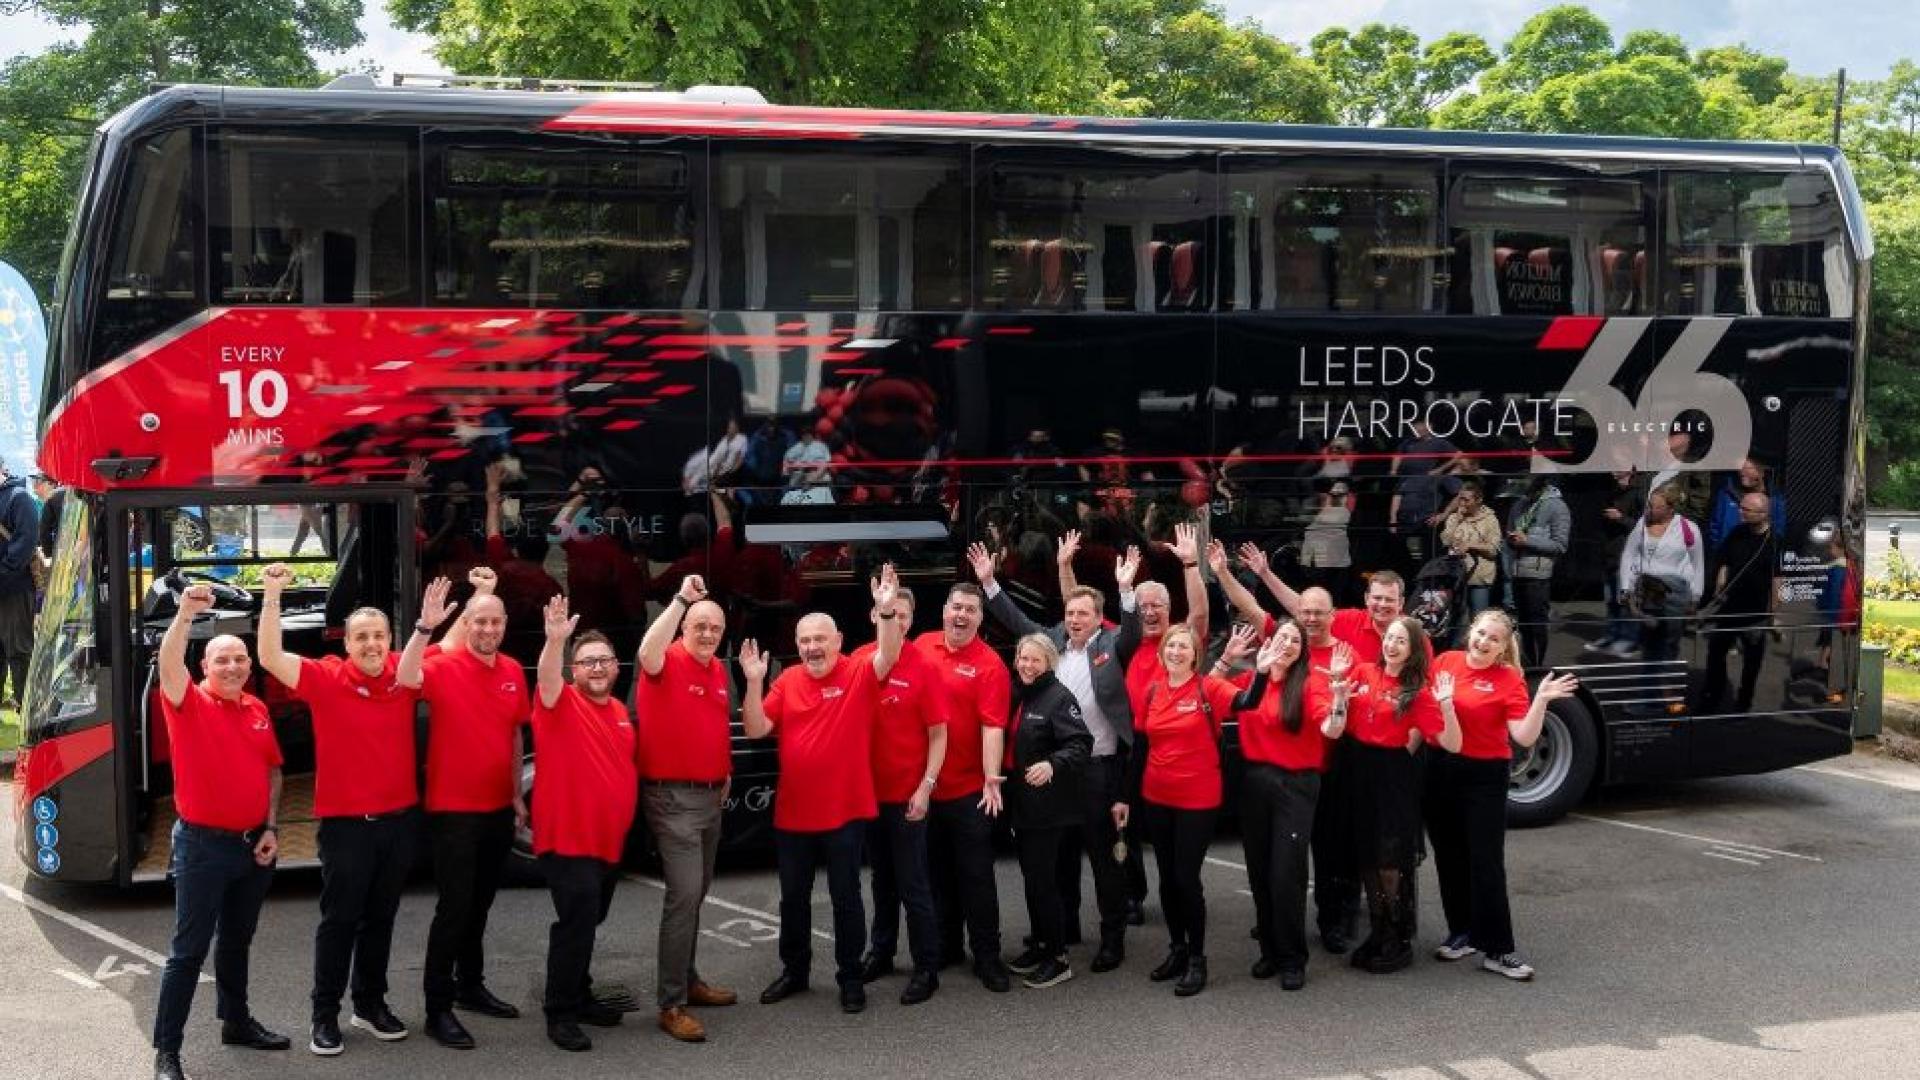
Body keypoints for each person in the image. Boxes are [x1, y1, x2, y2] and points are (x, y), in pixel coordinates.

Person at [255, 564, 418, 1057]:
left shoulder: (405, 673)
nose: (371, 644)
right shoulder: (326, 676)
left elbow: (455, 644)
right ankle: (324, 1016)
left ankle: (369, 1005)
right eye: (361, 637)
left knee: (381, 919)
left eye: (379, 636)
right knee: (340, 922)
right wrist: (272, 594)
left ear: (390, 641)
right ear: (346, 643)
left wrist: (478, 595)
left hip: (398, 822)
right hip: (348, 828)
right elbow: (268, 656)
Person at [741, 565, 906, 1014]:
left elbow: (888, 655)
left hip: (845, 812)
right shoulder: (787, 680)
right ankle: (795, 972)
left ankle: (850, 977)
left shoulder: (858, 672)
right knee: (793, 899)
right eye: (804, 641)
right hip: (794, 815)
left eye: (820, 639)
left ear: (838, 641)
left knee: (846, 897)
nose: (812, 647)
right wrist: (754, 682)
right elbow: (756, 728)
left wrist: (886, 611)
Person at [972, 540, 1142, 972]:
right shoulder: (1052, 640)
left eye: (1083, 614)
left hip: (1099, 767)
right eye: (1070, 613)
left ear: (1099, 617)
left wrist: (1126, 590)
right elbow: (1016, 621)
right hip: (1057, 771)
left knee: (1104, 860)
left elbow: (1134, 631)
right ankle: (1062, 930)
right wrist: (989, 583)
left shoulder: (1114, 643)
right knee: (1060, 857)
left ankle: (1113, 939)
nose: (1075, 620)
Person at [151, 586, 288, 1080]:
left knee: (236, 942)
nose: (232, 667)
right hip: (202, 847)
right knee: (187, 953)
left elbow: (272, 771)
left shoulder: (257, 708)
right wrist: (186, 614)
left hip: (253, 846)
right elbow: (169, 662)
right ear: (204, 666)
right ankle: (167, 1052)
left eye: (240, 659)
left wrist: (271, 827)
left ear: (249, 666)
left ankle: (236, 1022)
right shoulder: (187, 702)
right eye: (222, 660)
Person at [398, 577, 533, 1049]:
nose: (488, 629)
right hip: (454, 811)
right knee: (454, 909)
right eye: (480, 621)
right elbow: (405, 678)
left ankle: (470, 986)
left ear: (505, 625)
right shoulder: (443, 665)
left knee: (480, 904)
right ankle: (438, 1009)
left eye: (496, 622)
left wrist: (516, 794)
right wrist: (424, 628)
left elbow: (515, 734)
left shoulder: (513, 669)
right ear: (467, 624)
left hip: (498, 807)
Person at [1062, 521, 1211, 924]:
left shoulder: (1178, 642)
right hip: (1130, 748)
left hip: (1171, 751)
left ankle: (1179, 895)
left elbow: (1200, 613)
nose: (1148, 611)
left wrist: (1191, 565)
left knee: (1169, 832)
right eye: (1142, 605)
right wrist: (1064, 566)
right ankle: (1133, 894)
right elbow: (1077, 610)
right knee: (1122, 826)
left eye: (1156, 605)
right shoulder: (1120, 640)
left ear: (1168, 608)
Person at [1426, 610, 1579, 982]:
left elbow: (1523, 736)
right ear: (1471, 632)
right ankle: (1461, 932)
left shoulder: (1509, 678)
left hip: (1485, 776)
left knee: (1486, 862)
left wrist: (1542, 701)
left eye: (1493, 639)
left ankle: (1498, 949)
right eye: (1480, 633)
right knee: (1449, 855)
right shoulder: (1445, 662)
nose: (1483, 642)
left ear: (1503, 647)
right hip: (1441, 767)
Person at [1118, 623, 1261, 997]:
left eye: (1184, 647)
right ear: (1162, 652)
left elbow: (1248, 702)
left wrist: (1262, 670)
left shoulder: (1207, 687)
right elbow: (1140, 748)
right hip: (1156, 795)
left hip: (1198, 798)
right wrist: (1125, 798)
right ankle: (1177, 949)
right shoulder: (1153, 691)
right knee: (1167, 879)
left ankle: (1197, 958)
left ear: (1196, 655)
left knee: (1186, 878)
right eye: (1171, 646)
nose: (1176, 652)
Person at [634, 573, 740, 1042]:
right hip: (673, 798)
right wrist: (680, 600)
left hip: (709, 796)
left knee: (695, 895)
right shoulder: (666, 658)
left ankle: (688, 979)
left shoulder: (716, 669)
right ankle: (671, 1003)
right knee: (684, 896)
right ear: (682, 627)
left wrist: (724, 769)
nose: (708, 634)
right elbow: (645, 652)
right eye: (699, 626)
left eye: (715, 628)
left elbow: (712, 724)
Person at [530, 598, 637, 1052]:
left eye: (604, 660)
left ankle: (580, 993)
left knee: (590, 919)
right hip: (569, 840)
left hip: (606, 841)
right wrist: (555, 641)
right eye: (588, 661)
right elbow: (546, 678)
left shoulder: (618, 710)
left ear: (616, 666)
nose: (597, 668)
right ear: (573, 670)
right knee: (575, 923)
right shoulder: (560, 702)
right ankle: (560, 1013)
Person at [1233, 622, 1353, 992]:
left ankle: (1291, 958)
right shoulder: (1252, 679)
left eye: (1296, 641)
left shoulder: (1310, 683)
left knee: (1286, 874)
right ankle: (1269, 951)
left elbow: (1332, 729)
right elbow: (1212, 692)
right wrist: (1228, 659)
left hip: (1296, 785)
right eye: (1283, 637)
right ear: (1270, 642)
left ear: (1302, 650)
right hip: (1254, 782)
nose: (1288, 644)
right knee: (1259, 871)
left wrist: (1339, 699)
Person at [1337, 616, 1459, 974]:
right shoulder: (1362, 672)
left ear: (1413, 650)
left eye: (1401, 641)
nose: (1391, 645)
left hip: (1393, 776)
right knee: (1366, 856)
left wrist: (1447, 706)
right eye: (1389, 638)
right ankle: (1378, 929)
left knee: (1389, 859)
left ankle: (1395, 934)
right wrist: (1337, 686)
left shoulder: (1416, 692)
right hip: (1358, 770)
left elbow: (1452, 743)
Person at [914, 582, 1015, 992]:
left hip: (969, 789)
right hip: (924, 787)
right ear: (944, 610)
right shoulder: (921, 646)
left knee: (976, 878)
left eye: (970, 610)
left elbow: (992, 727)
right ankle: (948, 945)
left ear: (980, 617)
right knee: (936, 873)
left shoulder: (990, 665)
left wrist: (991, 777)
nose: (961, 615)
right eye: (956, 607)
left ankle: (987, 956)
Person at [854, 587, 949, 1006]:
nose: (896, 620)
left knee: (914, 883)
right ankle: (882, 951)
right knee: (881, 880)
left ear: (910, 620)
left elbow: (938, 734)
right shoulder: (859, 661)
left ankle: (927, 967)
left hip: (909, 795)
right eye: (887, 612)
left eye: (903, 615)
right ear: (873, 616)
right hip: (868, 796)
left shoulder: (924, 666)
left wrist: (926, 787)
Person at [1003, 634, 1094, 989]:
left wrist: (1053, 764)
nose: (1027, 665)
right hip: (1023, 804)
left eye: (1035, 660)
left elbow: (1081, 743)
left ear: (1049, 663)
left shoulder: (1058, 698)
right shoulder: (1021, 693)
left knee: (1044, 882)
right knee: (1032, 880)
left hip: (1049, 809)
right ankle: (1040, 944)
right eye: (1023, 658)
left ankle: (1058, 958)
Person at [1700, 492, 1782, 713]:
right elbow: (1725, 560)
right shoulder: (1738, 532)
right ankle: (1712, 696)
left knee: (1752, 660)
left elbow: (1778, 580)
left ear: (1763, 514)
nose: (1740, 512)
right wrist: (1720, 584)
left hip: (1755, 611)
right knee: (1715, 653)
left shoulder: (1775, 542)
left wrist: (1773, 611)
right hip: (1729, 607)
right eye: (1741, 507)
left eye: (1746, 509)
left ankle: (1744, 701)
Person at [1618, 485, 1705, 665]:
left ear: (1671, 508)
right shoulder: (1641, 524)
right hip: (1645, 594)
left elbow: (1698, 565)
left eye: (1656, 507)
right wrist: (1626, 588)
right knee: (1649, 643)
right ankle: (1652, 676)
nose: (1650, 510)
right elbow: (1629, 555)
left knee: (1669, 643)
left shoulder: (1689, 528)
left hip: (1675, 596)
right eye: (1649, 505)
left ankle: (1665, 675)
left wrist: (1695, 597)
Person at [1505, 476, 1570, 670]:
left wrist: (1527, 541)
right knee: (1523, 625)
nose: (1524, 492)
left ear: (1539, 486)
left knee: (1537, 625)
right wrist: (1511, 540)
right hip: (1517, 572)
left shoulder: (1557, 506)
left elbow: (1560, 545)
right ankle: (1527, 665)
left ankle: (1539, 667)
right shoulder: (1519, 504)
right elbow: (1509, 533)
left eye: (1528, 487)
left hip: (1538, 576)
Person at [1589, 470, 1647, 655]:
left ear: (1630, 469)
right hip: (1610, 552)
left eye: (1617, 468)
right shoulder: (1612, 492)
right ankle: (1612, 634)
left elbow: (1645, 526)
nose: (1612, 472)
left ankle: (1630, 639)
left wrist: (1620, 518)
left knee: (1626, 600)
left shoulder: (1640, 492)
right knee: (1610, 599)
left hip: (1628, 555)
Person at [0, 458, 40, 710]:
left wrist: (3, 573)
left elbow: (25, 542)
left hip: (15, 587)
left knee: (19, 649)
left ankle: (26, 706)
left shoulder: (19, 498)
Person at [1438, 480, 1502, 621]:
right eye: (1460, 499)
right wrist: (1456, 521)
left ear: (1478, 500)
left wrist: (1470, 545)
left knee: (1478, 619)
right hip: (1456, 577)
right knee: (1454, 619)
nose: (1462, 503)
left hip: (1479, 577)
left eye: (1466, 500)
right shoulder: (1454, 518)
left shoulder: (1490, 520)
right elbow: (1445, 542)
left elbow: (1494, 549)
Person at [1707, 456, 1787, 554]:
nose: (1742, 473)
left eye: (1748, 469)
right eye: (1740, 468)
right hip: (1728, 553)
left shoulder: (1775, 499)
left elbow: (1780, 529)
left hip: (1761, 554)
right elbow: (1715, 526)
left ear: (1762, 472)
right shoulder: (1726, 494)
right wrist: (1718, 550)